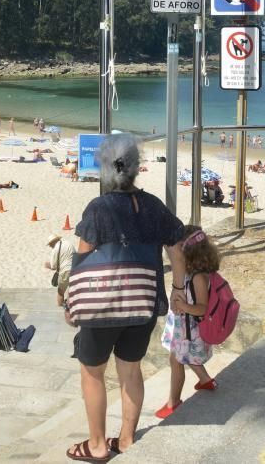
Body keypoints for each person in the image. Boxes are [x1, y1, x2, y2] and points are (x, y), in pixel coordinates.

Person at [64, 133, 187, 461]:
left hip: (102, 306)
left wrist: (68, 301)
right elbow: (177, 249)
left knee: (92, 372)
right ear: (136, 167)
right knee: (130, 371)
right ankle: (128, 440)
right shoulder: (154, 206)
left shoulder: (98, 208)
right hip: (143, 303)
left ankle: (97, 445)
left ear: (105, 168)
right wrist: (177, 290)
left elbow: (82, 257)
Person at [156, 226, 220, 418]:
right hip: (182, 327)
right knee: (185, 357)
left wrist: (183, 307)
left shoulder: (198, 277)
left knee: (176, 361)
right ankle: (205, 379)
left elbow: (202, 308)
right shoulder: (188, 273)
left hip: (188, 330)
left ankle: (173, 402)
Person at [45, 233, 73, 307]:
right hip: (74, 269)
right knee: (71, 291)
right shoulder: (69, 243)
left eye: (50, 244)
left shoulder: (55, 250)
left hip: (65, 271)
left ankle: (60, 308)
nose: (50, 246)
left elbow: (53, 267)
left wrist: (47, 265)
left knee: (60, 292)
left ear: (52, 242)